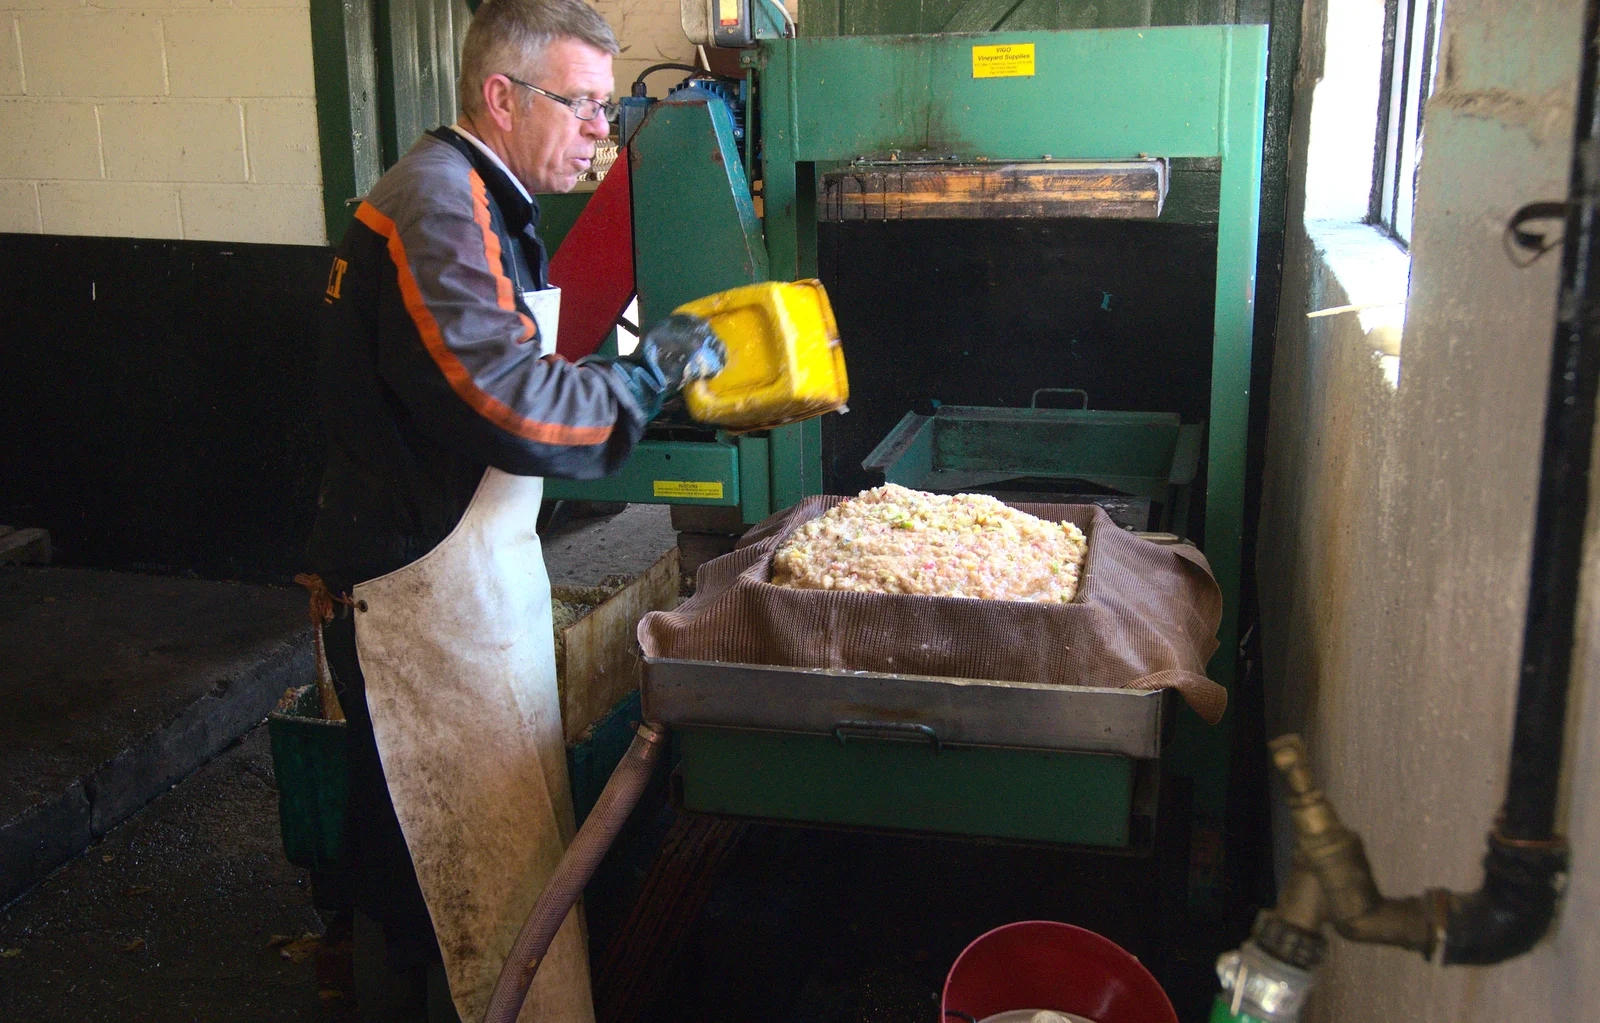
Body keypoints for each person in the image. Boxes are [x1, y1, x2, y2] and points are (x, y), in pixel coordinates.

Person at [302, 0, 724, 1019]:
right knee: (441, 861)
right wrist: (643, 377)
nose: (598, 129)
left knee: (421, 845)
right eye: (581, 105)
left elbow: (501, 372)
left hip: (448, 568)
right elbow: (512, 404)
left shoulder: (483, 199)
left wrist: (619, 379)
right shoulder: (438, 207)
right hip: (417, 595)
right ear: (501, 96)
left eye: (605, 105)